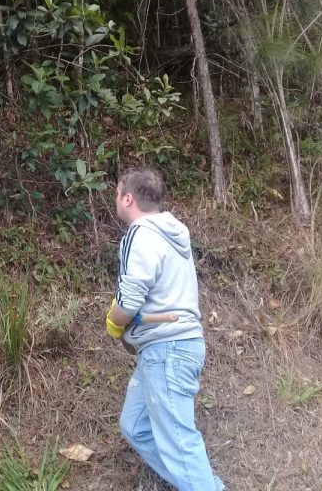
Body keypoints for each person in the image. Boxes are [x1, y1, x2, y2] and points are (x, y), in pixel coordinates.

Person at [105, 167, 224, 491]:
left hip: (167, 350)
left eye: (117, 194)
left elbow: (130, 299)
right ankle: (205, 485)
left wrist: (115, 323)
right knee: (135, 426)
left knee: (180, 445)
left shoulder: (140, 233)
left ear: (128, 198)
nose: (116, 200)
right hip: (168, 349)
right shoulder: (173, 233)